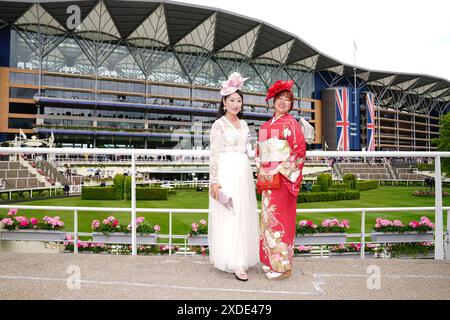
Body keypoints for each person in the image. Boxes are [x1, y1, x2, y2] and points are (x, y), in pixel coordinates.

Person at [208, 72, 259, 282]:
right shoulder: (218, 125)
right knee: (230, 213)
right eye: (232, 100)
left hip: (243, 170)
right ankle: (234, 261)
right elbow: (213, 154)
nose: (236, 104)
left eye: (239, 100)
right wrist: (214, 181)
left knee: (243, 213)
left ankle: (241, 257)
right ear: (224, 102)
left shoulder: (245, 124)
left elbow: (247, 149)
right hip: (227, 170)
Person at [255, 79, 306, 280]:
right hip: (269, 179)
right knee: (267, 221)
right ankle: (268, 261)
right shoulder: (266, 125)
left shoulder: (292, 124)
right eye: (280, 99)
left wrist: (281, 171)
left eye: (287, 100)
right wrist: (263, 169)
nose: (283, 102)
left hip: (284, 179)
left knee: (281, 220)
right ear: (273, 101)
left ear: (291, 104)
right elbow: (259, 152)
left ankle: (283, 267)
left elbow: (299, 151)